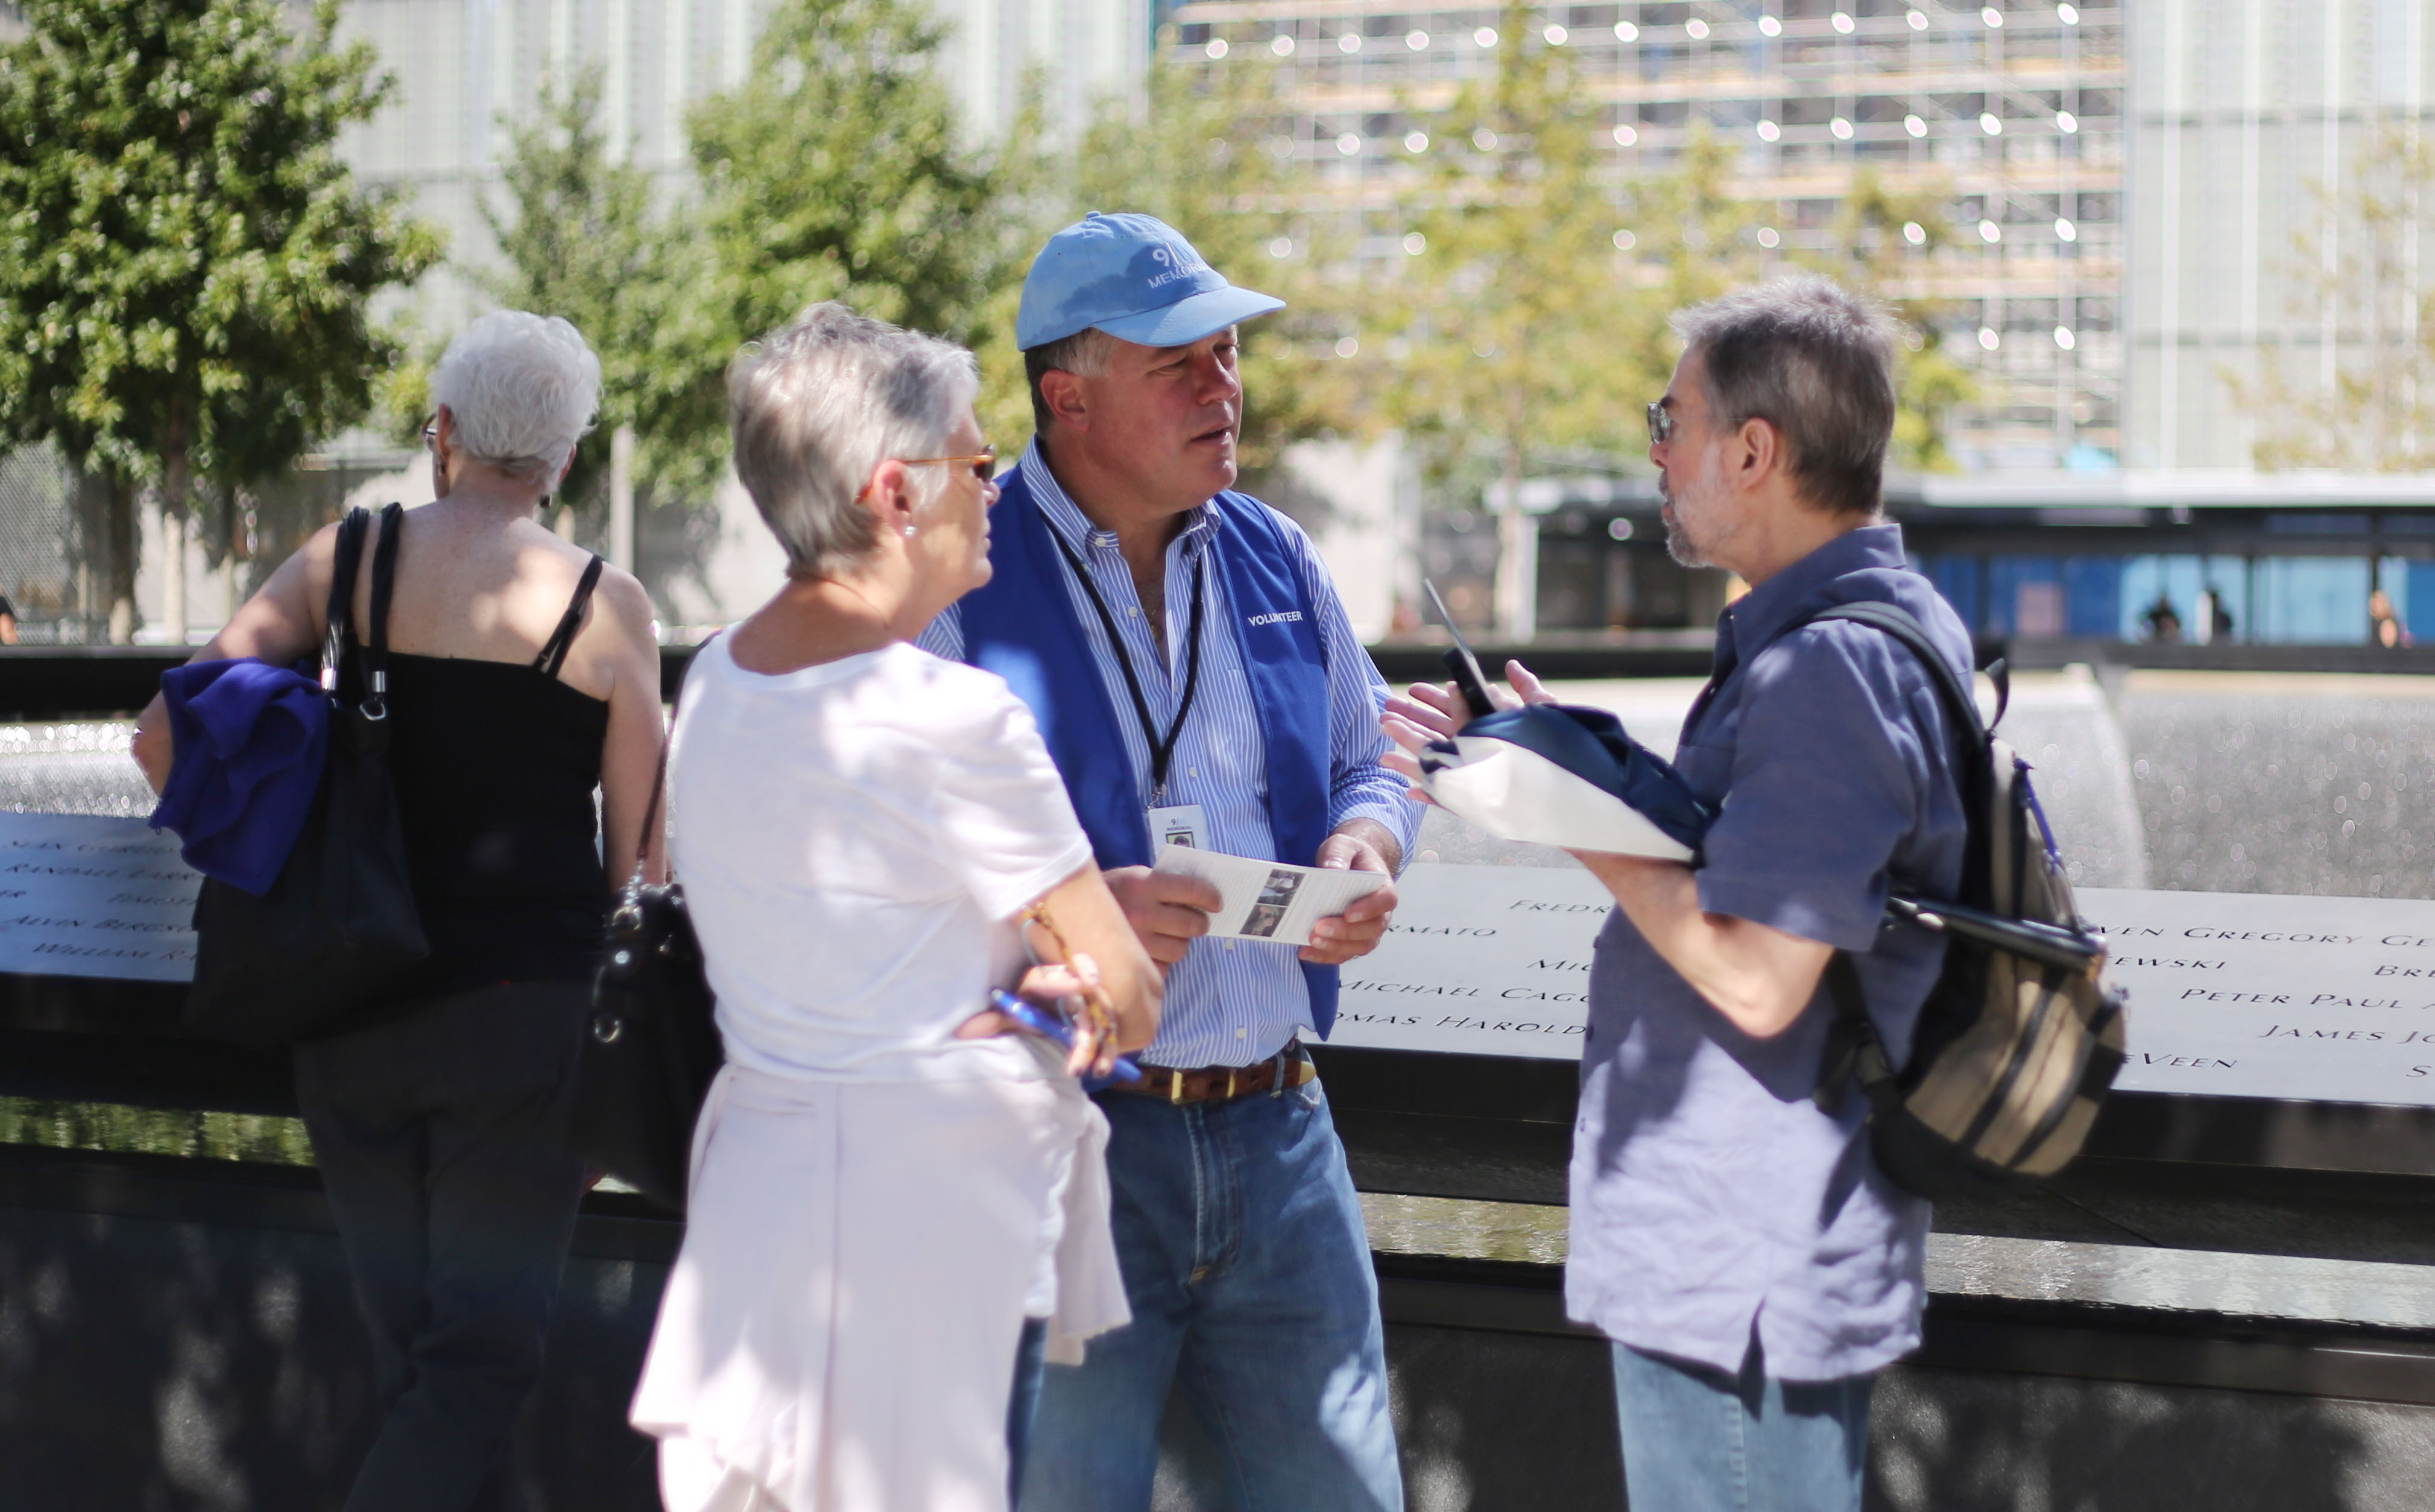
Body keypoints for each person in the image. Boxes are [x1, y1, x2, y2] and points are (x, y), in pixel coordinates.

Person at [1386, 277, 1971, 1512]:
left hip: (1742, 1260)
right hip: (1739, 1241)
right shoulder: (1829, 637)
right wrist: (1573, 757)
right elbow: (1742, 844)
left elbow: (1759, 977)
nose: (1655, 450)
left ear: (1754, 451)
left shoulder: (1831, 669)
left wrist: (1572, 825)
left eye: (1672, 419)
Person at [921, 212, 1420, 1512]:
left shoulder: (1275, 552)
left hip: (1282, 1130)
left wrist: (1367, 842)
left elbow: (1377, 759)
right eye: (1180, 363)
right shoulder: (958, 578)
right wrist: (1071, 924)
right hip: (1070, 1146)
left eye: (1229, 353)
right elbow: (900, 867)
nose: (1225, 388)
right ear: (1066, 396)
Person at [627, 303, 1161, 1512]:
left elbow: (840, 907)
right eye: (980, 462)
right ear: (894, 492)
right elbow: (1126, 996)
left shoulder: (717, 677)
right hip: (930, 1220)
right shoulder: (951, 718)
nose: (997, 487)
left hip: (763, 1201)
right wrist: (1061, 971)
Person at [130, 310, 667, 1512]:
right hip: (523, 1031)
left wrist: (281, 838)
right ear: (566, 456)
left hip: (348, 1005)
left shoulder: (347, 558)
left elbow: (164, 736)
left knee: (414, 1365)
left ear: (443, 432)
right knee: (480, 1365)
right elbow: (640, 868)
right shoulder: (605, 605)